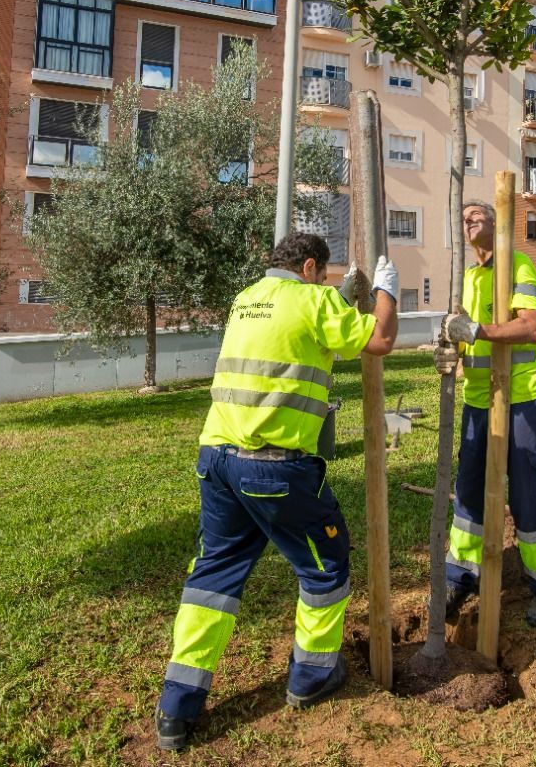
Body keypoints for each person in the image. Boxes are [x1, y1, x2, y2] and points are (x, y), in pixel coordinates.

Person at [155, 233, 399, 751]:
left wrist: (338, 297)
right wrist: (386, 294)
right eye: (325, 275)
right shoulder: (313, 299)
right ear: (310, 266)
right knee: (326, 564)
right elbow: (378, 339)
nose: (326, 283)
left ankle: (177, 705)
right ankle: (311, 677)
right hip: (273, 470)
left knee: (214, 574)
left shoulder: (246, 300)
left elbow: (296, 337)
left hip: (217, 459)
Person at [437, 200, 536, 628]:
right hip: (479, 400)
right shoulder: (469, 278)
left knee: (530, 494)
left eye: (478, 215)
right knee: (469, 495)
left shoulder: (519, 266)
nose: (468, 221)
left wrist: (478, 331)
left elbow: (532, 327)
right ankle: (462, 576)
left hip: (525, 399)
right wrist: (447, 348)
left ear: (498, 225)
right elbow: (461, 338)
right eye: (462, 217)